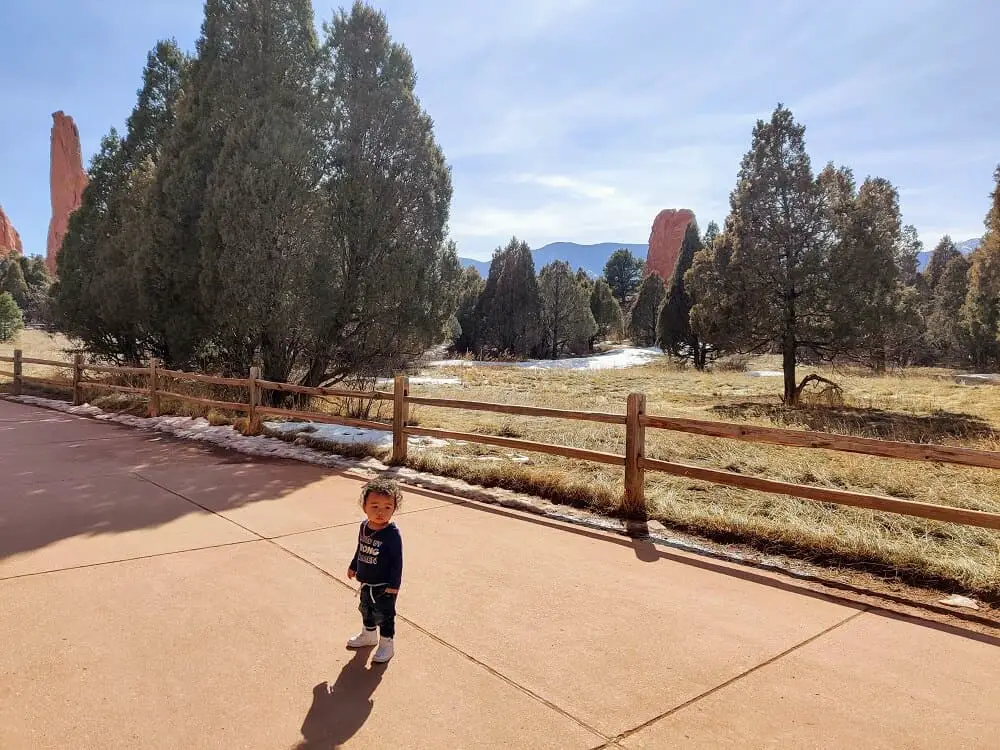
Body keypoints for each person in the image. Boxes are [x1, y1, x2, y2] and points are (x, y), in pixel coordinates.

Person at [346, 477, 403, 664]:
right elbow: (360, 547)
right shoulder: (364, 526)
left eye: (387, 507)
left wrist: (394, 586)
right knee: (366, 610)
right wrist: (354, 565)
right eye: (375, 506)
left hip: (384, 586)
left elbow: (397, 562)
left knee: (385, 616)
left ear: (394, 509)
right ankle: (368, 635)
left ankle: (387, 644)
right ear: (364, 506)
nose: (381, 512)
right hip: (366, 582)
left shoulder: (392, 534)